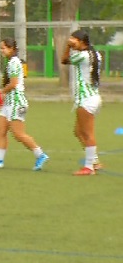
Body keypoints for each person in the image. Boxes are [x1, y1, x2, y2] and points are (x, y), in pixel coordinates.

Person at [0, 38, 50, 171]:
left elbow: (13, 84)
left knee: (18, 134)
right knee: (1, 130)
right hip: (9, 103)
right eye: (0, 48)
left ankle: (40, 154)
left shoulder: (14, 63)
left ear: (12, 48)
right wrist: (1, 100)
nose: (2, 51)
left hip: (17, 103)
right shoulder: (11, 62)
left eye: (4, 48)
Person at [61, 30, 102, 175]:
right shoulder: (95, 54)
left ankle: (89, 167)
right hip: (92, 97)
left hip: (87, 99)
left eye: (73, 39)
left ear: (81, 41)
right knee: (78, 131)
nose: (71, 41)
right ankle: (94, 161)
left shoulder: (83, 55)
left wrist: (68, 46)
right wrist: (72, 45)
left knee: (88, 133)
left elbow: (64, 60)